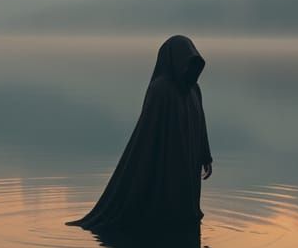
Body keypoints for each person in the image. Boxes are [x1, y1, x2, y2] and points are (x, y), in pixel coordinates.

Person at [67, 35, 213, 230]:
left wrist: (206, 156)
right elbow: (147, 132)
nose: (188, 68)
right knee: (166, 210)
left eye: (192, 63)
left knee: (185, 210)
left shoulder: (194, 90)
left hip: (189, 161)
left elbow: (201, 125)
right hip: (167, 161)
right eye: (186, 62)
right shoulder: (160, 89)